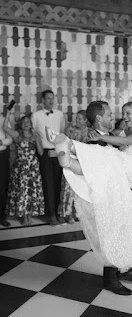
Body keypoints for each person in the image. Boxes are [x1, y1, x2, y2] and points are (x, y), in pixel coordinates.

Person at [46, 100, 132, 296]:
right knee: (116, 229)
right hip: (115, 188)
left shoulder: (126, 134)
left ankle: (69, 150)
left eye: (128, 113)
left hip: (130, 177)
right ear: (99, 118)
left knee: (122, 228)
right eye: (115, 114)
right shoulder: (106, 137)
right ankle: (114, 276)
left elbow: (125, 145)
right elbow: (100, 162)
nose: (120, 117)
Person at [3, 109, 45, 226]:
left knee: (31, 191)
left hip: (33, 167)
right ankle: (23, 215)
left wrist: (38, 140)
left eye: (28, 121)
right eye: (24, 122)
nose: (26, 123)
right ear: (21, 124)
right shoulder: (17, 134)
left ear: (31, 124)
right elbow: (5, 127)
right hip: (21, 167)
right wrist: (8, 113)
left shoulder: (35, 135)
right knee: (22, 191)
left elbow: (41, 153)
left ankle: (29, 215)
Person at [31, 89, 65, 226]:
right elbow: (34, 135)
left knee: (58, 183)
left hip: (58, 152)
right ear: (42, 100)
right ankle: (50, 213)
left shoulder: (60, 114)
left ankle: (58, 212)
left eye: (52, 98)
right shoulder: (36, 115)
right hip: (44, 153)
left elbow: (62, 133)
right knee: (48, 183)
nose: (51, 101)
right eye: (48, 98)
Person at [58, 110, 90, 223]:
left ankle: (78, 212)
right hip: (70, 161)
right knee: (67, 188)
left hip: (82, 165)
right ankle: (66, 213)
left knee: (80, 188)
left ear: (86, 120)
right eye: (77, 118)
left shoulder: (90, 133)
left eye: (80, 119)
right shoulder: (71, 130)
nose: (77, 121)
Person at [0, 113, 13, 227]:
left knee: (3, 186)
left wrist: (1, 142)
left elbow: (10, 138)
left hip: (2, 156)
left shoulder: (4, 119)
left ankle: (2, 217)